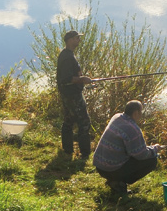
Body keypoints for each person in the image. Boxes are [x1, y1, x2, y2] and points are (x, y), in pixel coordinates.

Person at [93, 99, 160, 196]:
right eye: (141, 112)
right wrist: (155, 149)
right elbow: (141, 154)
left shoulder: (117, 117)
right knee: (152, 160)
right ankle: (118, 182)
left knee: (138, 155)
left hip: (100, 167)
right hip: (111, 170)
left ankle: (113, 180)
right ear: (136, 113)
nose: (141, 115)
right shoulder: (133, 128)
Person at [56, 30, 97, 159]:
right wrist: (82, 79)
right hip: (72, 95)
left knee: (69, 120)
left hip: (68, 94)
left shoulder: (67, 54)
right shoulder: (67, 57)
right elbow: (67, 78)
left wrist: (81, 79)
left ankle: (68, 150)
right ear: (70, 40)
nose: (79, 40)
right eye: (76, 38)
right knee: (84, 122)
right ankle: (85, 154)